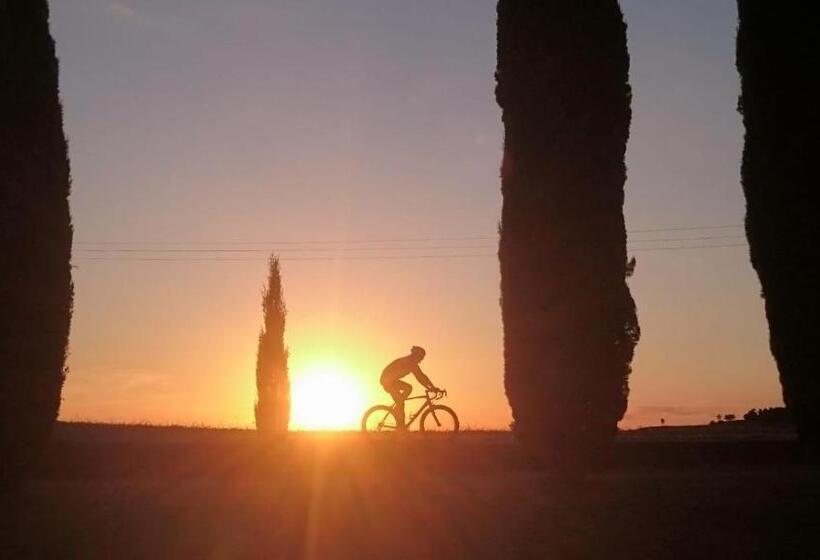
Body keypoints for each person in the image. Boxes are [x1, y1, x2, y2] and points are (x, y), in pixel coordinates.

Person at [380, 346, 439, 430]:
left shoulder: (411, 362)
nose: (421, 359)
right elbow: (420, 378)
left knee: (406, 392)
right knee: (402, 401)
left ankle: (399, 411)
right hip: (387, 381)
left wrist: (432, 387)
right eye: (421, 357)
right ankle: (400, 425)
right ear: (416, 355)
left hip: (391, 380)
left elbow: (422, 376)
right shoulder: (409, 362)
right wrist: (431, 388)